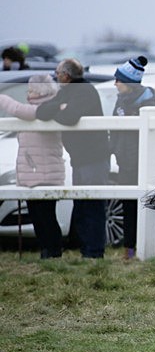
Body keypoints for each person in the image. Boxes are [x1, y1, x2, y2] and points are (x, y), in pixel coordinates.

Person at [35, 58, 110, 258]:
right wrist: (60, 107)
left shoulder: (85, 91)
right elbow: (41, 112)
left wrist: (61, 110)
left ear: (66, 76)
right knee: (82, 205)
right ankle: (87, 250)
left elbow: (69, 117)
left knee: (93, 206)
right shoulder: (66, 92)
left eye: (57, 72)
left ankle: (94, 253)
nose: (55, 76)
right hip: (80, 158)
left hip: (94, 157)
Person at [110, 56, 155, 259]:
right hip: (125, 162)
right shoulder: (120, 101)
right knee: (128, 205)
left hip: (146, 163)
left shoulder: (150, 101)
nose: (115, 84)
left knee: (152, 205)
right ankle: (129, 249)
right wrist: (116, 149)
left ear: (129, 82)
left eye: (118, 80)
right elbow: (115, 129)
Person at [0, 75, 65, 258]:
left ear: (39, 91)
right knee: (38, 216)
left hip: (45, 173)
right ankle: (47, 250)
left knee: (46, 216)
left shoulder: (46, 109)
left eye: (30, 89)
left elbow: (18, 109)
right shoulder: (40, 108)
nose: (28, 93)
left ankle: (52, 251)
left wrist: (2, 97)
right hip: (35, 172)